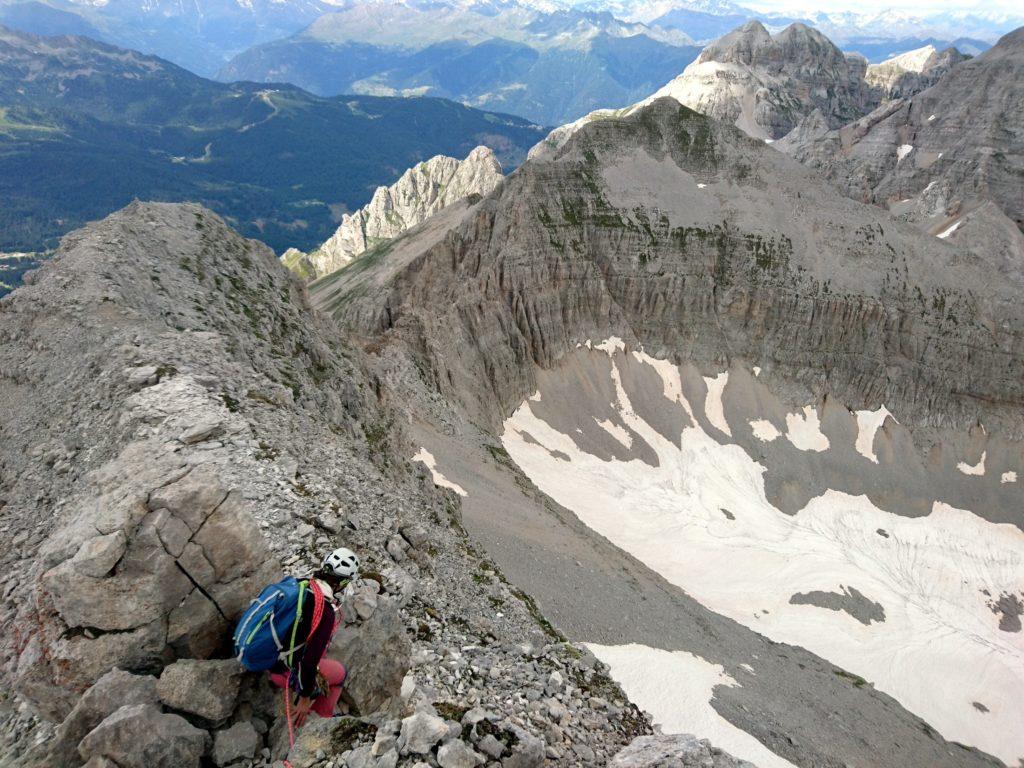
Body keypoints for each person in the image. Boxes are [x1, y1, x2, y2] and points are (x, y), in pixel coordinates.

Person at [268, 546, 360, 726]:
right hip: (286, 671)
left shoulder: (299, 585)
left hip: (270, 660)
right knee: (341, 673)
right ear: (342, 583)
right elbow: (309, 661)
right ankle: (322, 721)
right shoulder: (325, 611)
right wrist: (304, 697)